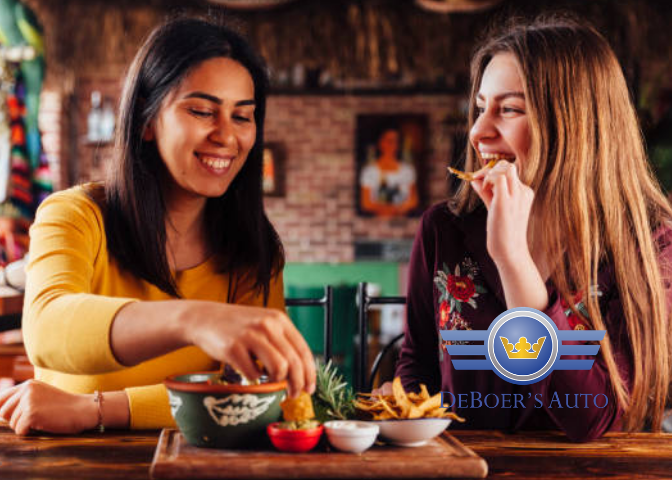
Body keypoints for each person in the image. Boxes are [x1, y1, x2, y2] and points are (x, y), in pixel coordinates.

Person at [0, 16, 315, 435]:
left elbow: (251, 398)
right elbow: (47, 327)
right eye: (203, 111)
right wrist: (194, 320)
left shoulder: (252, 248)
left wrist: (98, 409)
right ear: (147, 121)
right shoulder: (74, 214)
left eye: (243, 116)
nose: (227, 135)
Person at [378, 17, 672, 442]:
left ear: (577, 124)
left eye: (510, 109)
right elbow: (419, 366)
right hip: (465, 467)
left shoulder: (650, 243)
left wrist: (513, 259)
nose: (478, 132)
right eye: (480, 107)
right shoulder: (443, 228)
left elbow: (590, 421)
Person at [359, 127, 419, 216]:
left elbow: (413, 201)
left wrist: (396, 210)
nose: (393, 145)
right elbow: (366, 203)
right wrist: (389, 210)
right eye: (389, 141)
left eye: (396, 141)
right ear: (380, 142)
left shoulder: (408, 170)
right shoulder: (369, 171)